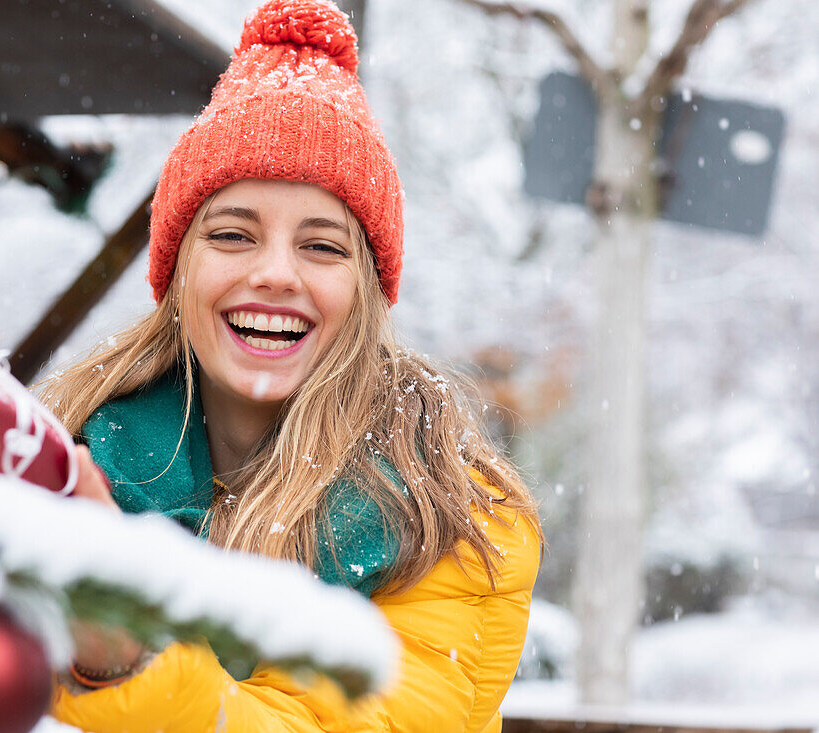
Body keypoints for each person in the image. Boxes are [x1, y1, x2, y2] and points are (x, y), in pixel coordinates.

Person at [40, 1, 542, 730]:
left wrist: (123, 662)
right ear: (178, 272)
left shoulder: (452, 519)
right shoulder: (65, 453)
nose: (275, 273)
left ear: (367, 294)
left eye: (322, 246)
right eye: (234, 234)